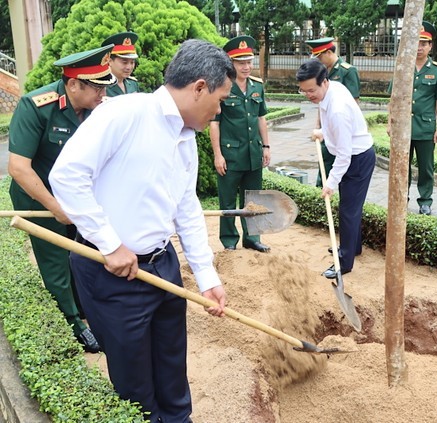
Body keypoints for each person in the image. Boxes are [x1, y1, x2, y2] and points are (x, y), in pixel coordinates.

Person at [49, 39, 232, 423]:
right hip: (112, 274)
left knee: (171, 372)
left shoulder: (183, 136)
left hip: (162, 266)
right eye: (219, 99)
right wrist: (111, 244)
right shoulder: (125, 114)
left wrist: (206, 275)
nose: (219, 109)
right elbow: (67, 177)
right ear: (199, 87)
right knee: (135, 387)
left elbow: (186, 206)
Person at [8, 44, 116, 353]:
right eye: (96, 87)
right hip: (39, 198)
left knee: (83, 252)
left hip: (79, 196)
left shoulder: (100, 108)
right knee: (56, 258)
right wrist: (56, 208)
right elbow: (19, 167)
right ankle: (74, 321)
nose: (102, 93)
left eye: (105, 85)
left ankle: (86, 306)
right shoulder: (36, 106)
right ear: (72, 84)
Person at [296, 59, 376, 279]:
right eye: (304, 92)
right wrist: (323, 133)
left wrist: (330, 183)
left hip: (356, 159)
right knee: (351, 207)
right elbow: (340, 134)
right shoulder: (332, 89)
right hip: (353, 154)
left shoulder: (337, 108)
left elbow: (344, 154)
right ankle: (353, 246)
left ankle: (344, 262)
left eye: (312, 90)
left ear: (324, 82)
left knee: (348, 211)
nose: (309, 95)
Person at [209, 35, 271, 253]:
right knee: (227, 202)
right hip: (230, 155)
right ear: (230, 63)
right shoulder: (222, 88)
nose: (246, 66)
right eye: (241, 62)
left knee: (254, 198)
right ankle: (229, 241)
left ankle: (252, 238)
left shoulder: (257, 86)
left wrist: (266, 147)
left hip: (253, 154)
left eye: (249, 61)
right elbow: (214, 123)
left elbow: (261, 117)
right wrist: (217, 154)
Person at [387, 21, 437, 216]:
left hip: (425, 128)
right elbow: (393, 99)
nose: (420, 47)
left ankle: (425, 201)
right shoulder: (402, 67)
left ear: (430, 46)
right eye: (417, 42)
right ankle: (400, 198)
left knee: (426, 168)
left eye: (424, 43)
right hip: (403, 128)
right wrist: (390, 123)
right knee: (401, 167)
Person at [305, 37, 361, 188]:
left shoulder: (348, 71)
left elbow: (353, 104)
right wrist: (318, 125)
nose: (318, 61)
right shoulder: (321, 72)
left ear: (329, 52)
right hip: (326, 130)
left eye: (319, 57)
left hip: (341, 128)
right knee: (324, 166)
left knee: (341, 168)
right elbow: (321, 101)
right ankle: (321, 195)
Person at [101, 31, 140, 96]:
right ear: (110, 61)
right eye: (124, 62)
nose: (129, 67)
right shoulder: (102, 86)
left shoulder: (133, 84)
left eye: (132, 62)